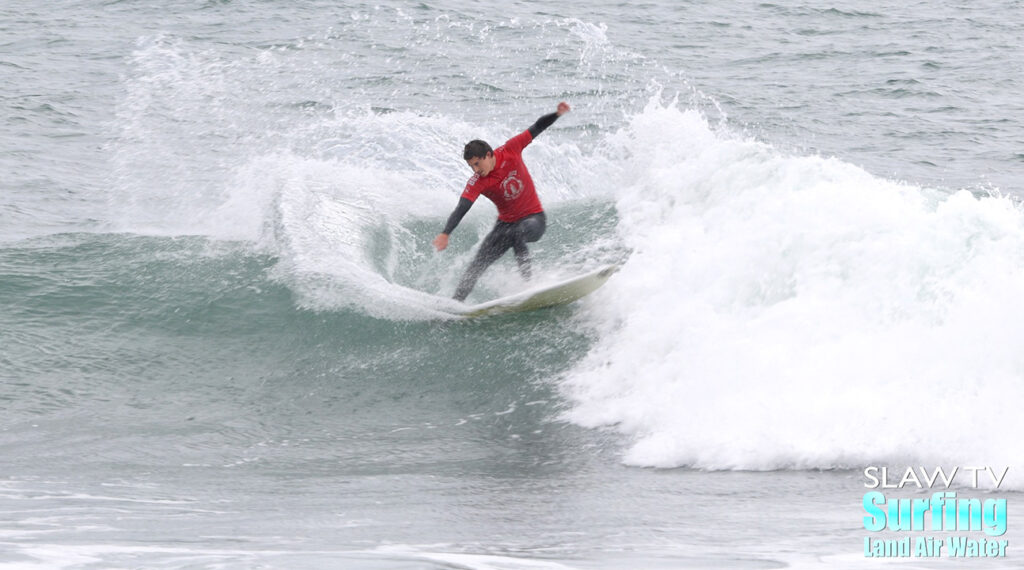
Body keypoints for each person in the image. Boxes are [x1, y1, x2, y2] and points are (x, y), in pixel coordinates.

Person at [433, 102, 571, 302]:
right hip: (505, 224)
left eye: (477, 164)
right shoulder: (478, 181)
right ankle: (454, 305)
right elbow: (462, 207)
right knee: (476, 266)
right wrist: (446, 233)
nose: (476, 170)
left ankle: (528, 284)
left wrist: (557, 114)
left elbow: (537, 127)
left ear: (489, 155)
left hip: (534, 219)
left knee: (517, 232)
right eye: (471, 166)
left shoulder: (511, 149)